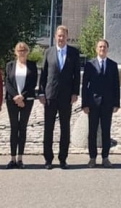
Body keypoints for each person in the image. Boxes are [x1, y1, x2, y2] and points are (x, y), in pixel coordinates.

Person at [38, 25, 81, 169]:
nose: (61, 38)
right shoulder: (48, 52)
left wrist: (75, 92)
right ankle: (48, 159)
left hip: (66, 96)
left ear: (67, 37)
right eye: (59, 35)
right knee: (48, 128)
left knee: (65, 128)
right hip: (50, 96)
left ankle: (63, 158)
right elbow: (43, 75)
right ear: (55, 36)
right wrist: (42, 93)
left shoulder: (74, 53)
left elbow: (76, 76)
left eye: (63, 36)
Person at [81, 39, 120, 168]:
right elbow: (85, 86)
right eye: (100, 47)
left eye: (104, 47)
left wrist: (116, 103)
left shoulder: (113, 65)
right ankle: (92, 157)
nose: (102, 49)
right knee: (92, 131)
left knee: (106, 131)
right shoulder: (90, 64)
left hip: (107, 104)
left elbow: (116, 85)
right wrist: (84, 104)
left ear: (107, 49)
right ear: (96, 49)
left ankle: (105, 157)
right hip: (93, 103)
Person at [4, 42, 38, 169]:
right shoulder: (10, 65)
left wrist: (22, 96)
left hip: (27, 100)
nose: (22, 52)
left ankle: (20, 158)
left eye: (24, 50)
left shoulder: (32, 65)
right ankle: (12, 158)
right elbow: (7, 82)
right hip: (12, 100)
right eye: (19, 50)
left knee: (22, 128)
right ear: (16, 52)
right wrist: (16, 97)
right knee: (14, 128)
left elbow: (33, 83)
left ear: (27, 51)